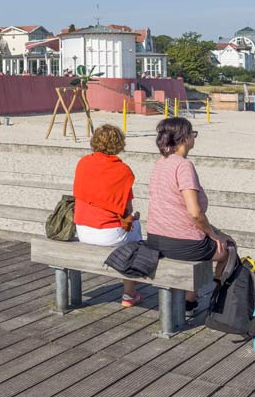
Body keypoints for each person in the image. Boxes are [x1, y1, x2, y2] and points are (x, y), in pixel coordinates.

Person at [145, 117, 232, 313]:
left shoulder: (160, 162)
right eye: (193, 133)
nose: (194, 137)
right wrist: (212, 234)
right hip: (182, 243)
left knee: (213, 238)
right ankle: (212, 298)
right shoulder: (183, 166)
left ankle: (189, 299)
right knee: (229, 248)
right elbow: (194, 213)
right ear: (184, 138)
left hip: (156, 238)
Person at [73, 124, 144, 307]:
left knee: (131, 229)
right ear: (119, 143)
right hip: (108, 233)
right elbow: (126, 209)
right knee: (135, 232)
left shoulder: (83, 163)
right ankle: (129, 294)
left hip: (82, 229)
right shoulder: (123, 170)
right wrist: (133, 218)